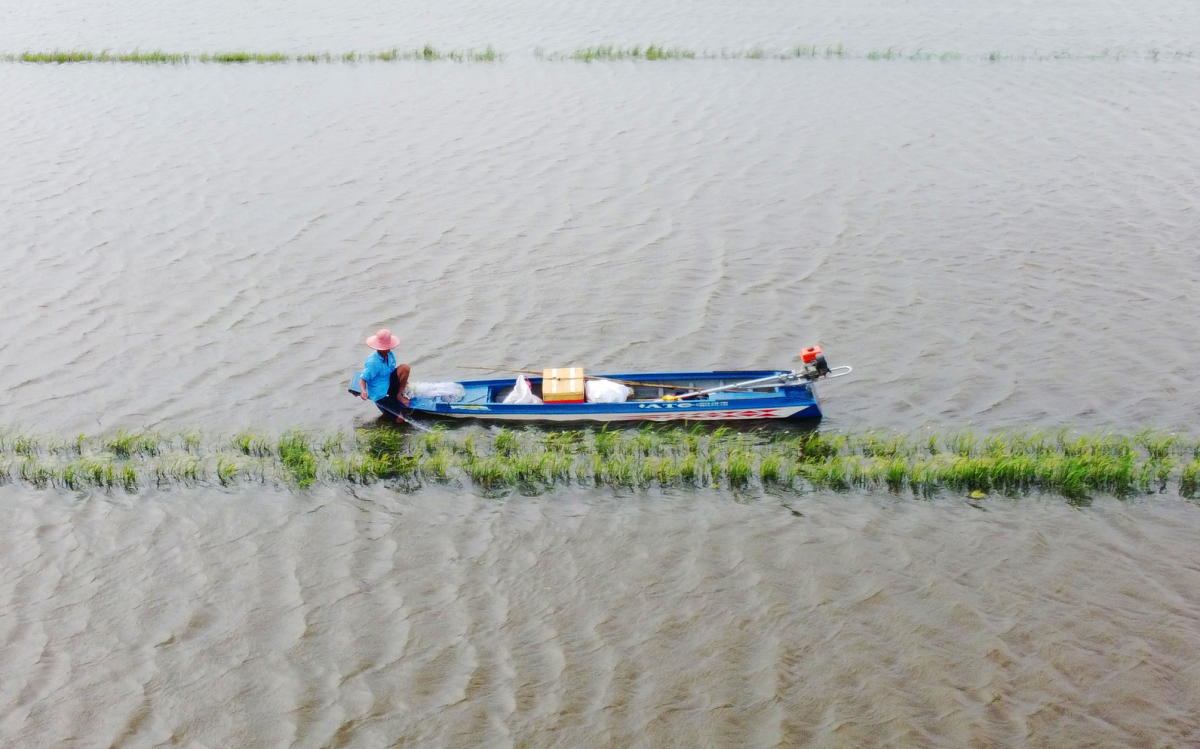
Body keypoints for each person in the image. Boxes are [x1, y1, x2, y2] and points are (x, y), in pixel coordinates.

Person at [359, 328, 411, 421]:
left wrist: (403, 382)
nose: (389, 348)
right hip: (381, 393)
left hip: (388, 381)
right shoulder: (373, 362)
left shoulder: (389, 354)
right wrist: (363, 391)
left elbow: (392, 370)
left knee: (405, 368)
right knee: (399, 419)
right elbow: (363, 379)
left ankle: (399, 395)